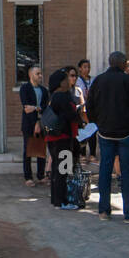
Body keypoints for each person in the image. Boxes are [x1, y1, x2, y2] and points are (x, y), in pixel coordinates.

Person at [87, 51, 129, 221]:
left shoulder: (99, 80)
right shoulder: (128, 80)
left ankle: (104, 210)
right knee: (127, 172)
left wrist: (97, 122)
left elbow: (90, 105)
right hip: (126, 132)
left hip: (105, 132)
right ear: (123, 63)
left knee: (105, 170)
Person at [44, 68, 81, 209]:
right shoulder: (62, 96)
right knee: (63, 170)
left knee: (57, 169)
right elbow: (71, 115)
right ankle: (63, 201)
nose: (68, 81)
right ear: (60, 83)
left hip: (54, 139)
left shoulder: (53, 96)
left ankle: (56, 199)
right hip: (63, 138)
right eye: (66, 79)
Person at [18, 65, 48, 186]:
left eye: (41, 74)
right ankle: (28, 177)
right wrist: (35, 121)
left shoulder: (44, 90)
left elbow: (46, 107)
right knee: (28, 151)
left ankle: (41, 175)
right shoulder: (25, 88)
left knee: (41, 150)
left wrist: (36, 109)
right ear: (31, 75)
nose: (40, 76)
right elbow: (26, 108)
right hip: (28, 124)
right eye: (38, 74)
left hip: (42, 123)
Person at [75, 59, 96, 163]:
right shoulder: (77, 80)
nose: (87, 69)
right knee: (82, 131)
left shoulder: (93, 80)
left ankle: (92, 154)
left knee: (92, 131)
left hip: (91, 109)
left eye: (88, 67)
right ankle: (82, 153)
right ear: (80, 68)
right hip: (81, 110)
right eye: (84, 67)